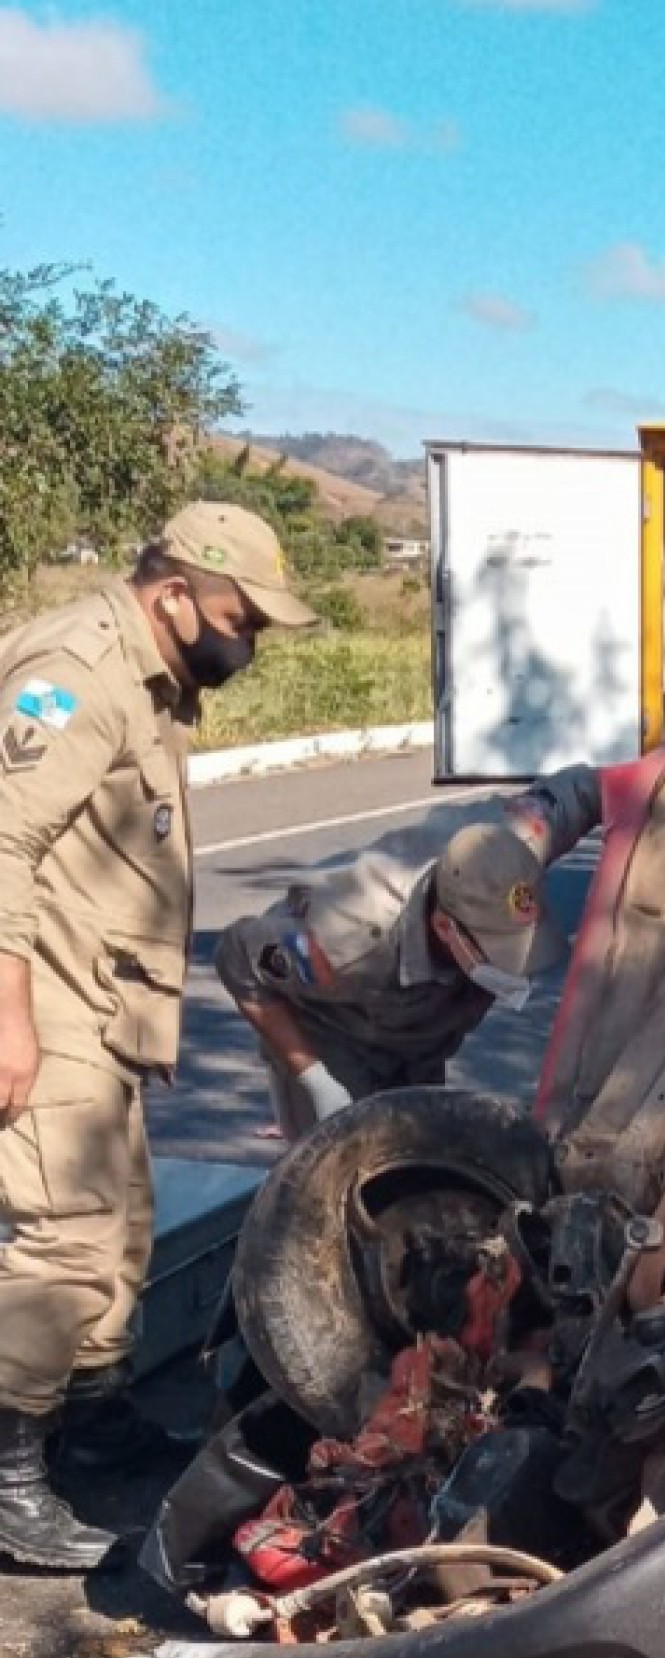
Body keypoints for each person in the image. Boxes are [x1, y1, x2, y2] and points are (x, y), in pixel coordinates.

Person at [0, 501, 317, 1570]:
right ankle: (8, 1476)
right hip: (38, 997)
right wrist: (7, 1022)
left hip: (97, 1000)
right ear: (174, 592)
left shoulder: (154, 679)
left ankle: (92, 1425)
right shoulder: (79, 671)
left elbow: (121, 862)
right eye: (242, 616)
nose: (252, 639)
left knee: (124, 1227)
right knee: (67, 1242)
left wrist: (147, 1016)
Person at [215, 765, 601, 1139]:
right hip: (335, 1034)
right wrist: (314, 1077)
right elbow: (237, 958)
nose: (513, 971)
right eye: (497, 951)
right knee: (343, 1173)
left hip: (421, 1036)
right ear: (445, 927)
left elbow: (590, 788)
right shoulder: (341, 942)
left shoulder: (514, 850)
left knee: (423, 1160)